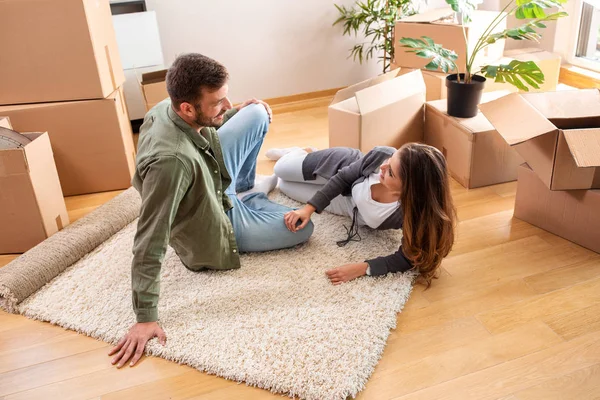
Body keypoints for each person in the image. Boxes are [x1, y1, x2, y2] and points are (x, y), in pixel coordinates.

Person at [109, 53, 314, 368]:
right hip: (216, 221)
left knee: (257, 112)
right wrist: (145, 316)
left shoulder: (165, 107)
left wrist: (231, 113)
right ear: (188, 108)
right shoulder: (171, 163)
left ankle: (246, 189)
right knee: (305, 228)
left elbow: (212, 128)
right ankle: (251, 203)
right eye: (218, 102)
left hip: (212, 174)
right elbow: (150, 239)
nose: (227, 103)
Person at [269, 143, 457, 286]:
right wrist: (308, 209)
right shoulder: (380, 156)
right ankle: (299, 153)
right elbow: (343, 177)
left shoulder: (411, 213)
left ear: (409, 190)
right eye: (389, 161)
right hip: (339, 170)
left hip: (346, 204)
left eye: (390, 172)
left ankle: (301, 160)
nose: (383, 168)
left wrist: (363, 268)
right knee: (280, 170)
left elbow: (407, 258)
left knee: (284, 186)